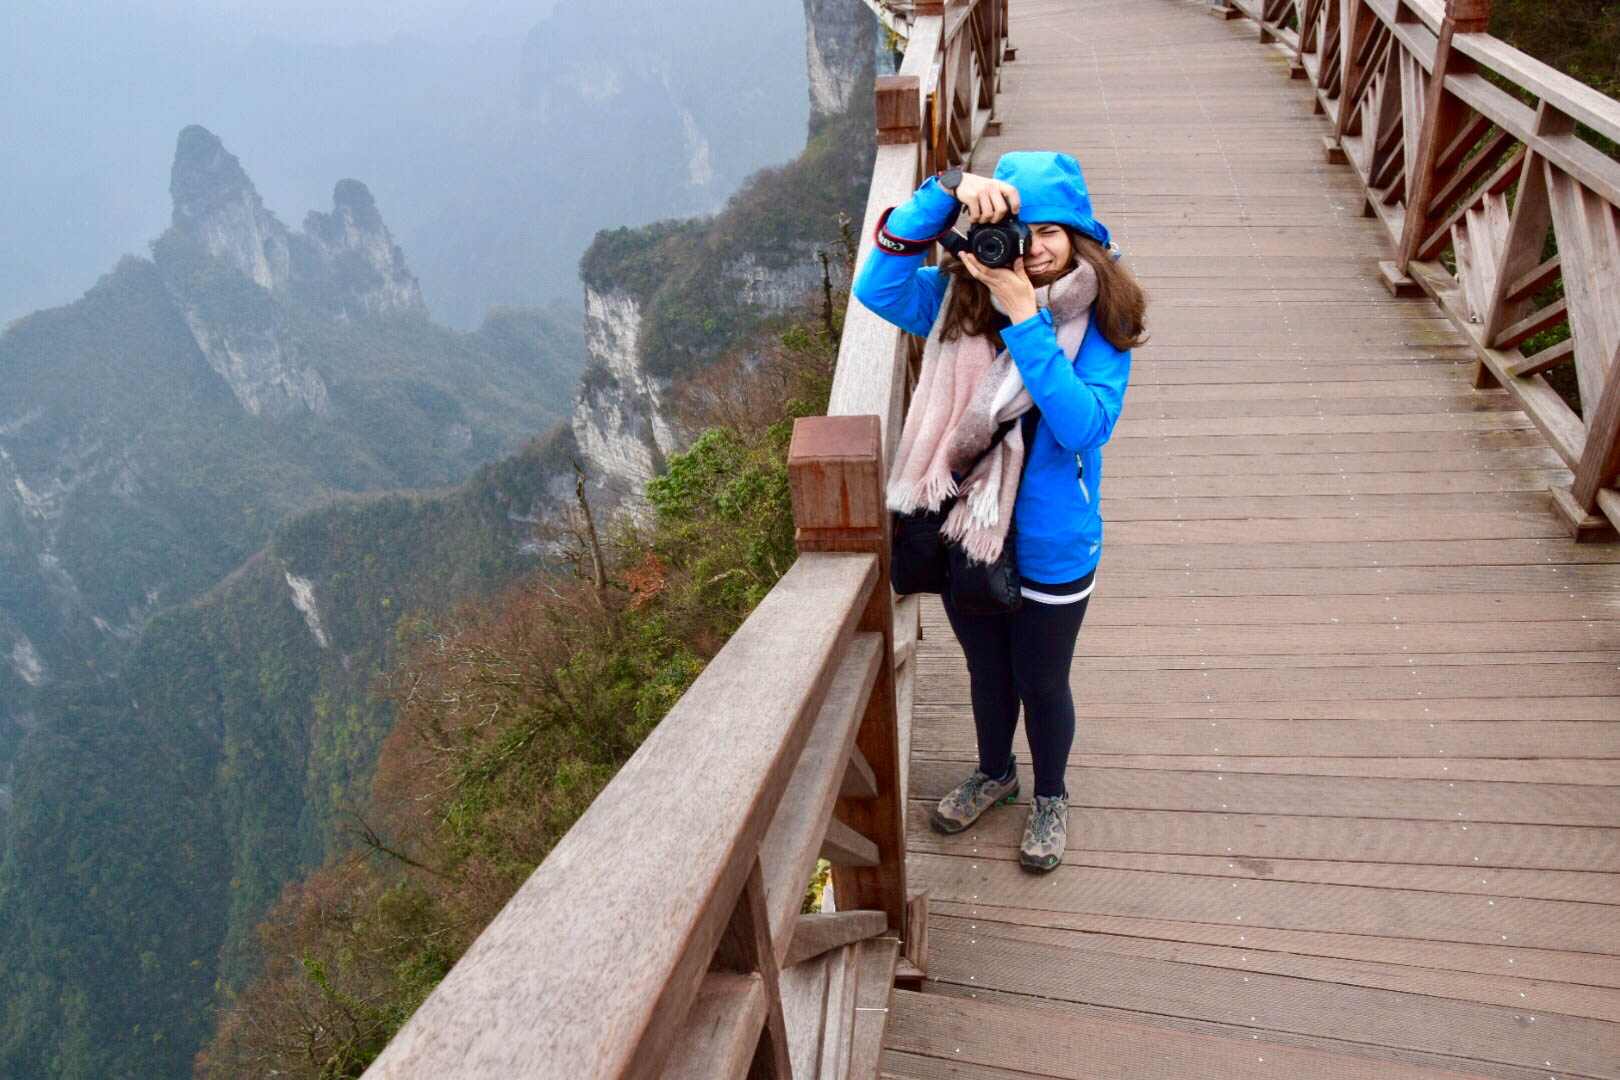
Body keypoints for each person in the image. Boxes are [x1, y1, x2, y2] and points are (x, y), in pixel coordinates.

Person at [853, 151, 1146, 873]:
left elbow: (1082, 426)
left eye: (1051, 231)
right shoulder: (958, 298)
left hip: (1052, 540)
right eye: (1021, 229)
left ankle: (1051, 796)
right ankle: (995, 773)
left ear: (1080, 238)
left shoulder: (1104, 319)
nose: (1035, 247)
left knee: (1041, 683)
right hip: (965, 529)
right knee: (988, 674)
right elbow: (876, 286)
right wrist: (946, 191)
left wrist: (1024, 316)